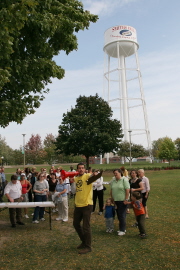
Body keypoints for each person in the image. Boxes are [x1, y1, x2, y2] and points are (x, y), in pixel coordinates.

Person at [73, 162, 102, 254]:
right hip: (78, 204)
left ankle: (88, 247)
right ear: (77, 169)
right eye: (79, 168)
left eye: (82, 168)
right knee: (76, 224)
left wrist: (95, 174)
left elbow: (95, 177)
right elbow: (73, 189)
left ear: (84, 169)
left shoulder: (87, 176)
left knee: (86, 226)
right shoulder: (76, 178)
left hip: (87, 205)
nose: (81, 169)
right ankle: (84, 241)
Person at [110, 169, 130, 236]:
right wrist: (112, 198)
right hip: (116, 200)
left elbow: (127, 190)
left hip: (122, 200)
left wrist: (126, 199)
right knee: (118, 214)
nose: (115, 175)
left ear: (120, 173)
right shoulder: (113, 181)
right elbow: (111, 189)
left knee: (121, 215)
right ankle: (122, 228)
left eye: (116, 173)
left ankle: (122, 230)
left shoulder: (124, 180)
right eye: (114, 173)